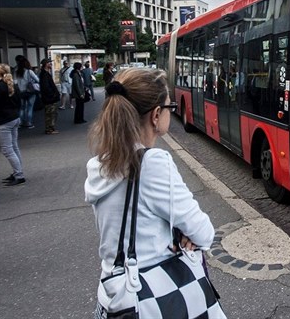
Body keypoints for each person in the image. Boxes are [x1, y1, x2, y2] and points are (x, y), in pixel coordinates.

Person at [85, 68, 215, 318]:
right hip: (155, 294)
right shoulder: (153, 163)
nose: (172, 111)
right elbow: (204, 233)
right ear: (156, 115)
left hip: (116, 291)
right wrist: (187, 234)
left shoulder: (100, 163)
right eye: (170, 106)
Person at [0, 64, 26, 186]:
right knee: (14, 147)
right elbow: (19, 102)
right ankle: (17, 172)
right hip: (14, 118)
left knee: (7, 149)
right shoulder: (12, 85)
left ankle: (19, 175)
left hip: (3, 121)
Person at [14, 56, 39, 129]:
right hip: (30, 91)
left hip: (20, 92)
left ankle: (20, 123)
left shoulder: (16, 71)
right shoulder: (29, 71)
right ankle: (29, 123)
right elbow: (37, 80)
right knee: (30, 107)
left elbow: (14, 82)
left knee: (22, 108)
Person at [39, 58, 60, 135]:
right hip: (49, 99)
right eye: (49, 63)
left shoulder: (45, 73)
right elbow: (46, 87)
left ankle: (50, 128)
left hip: (49, 98)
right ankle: (50, 129)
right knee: (50, 114)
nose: (51, 64)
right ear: (46, 64)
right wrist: (53, 95)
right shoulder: (44, 74)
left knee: (51, 113)